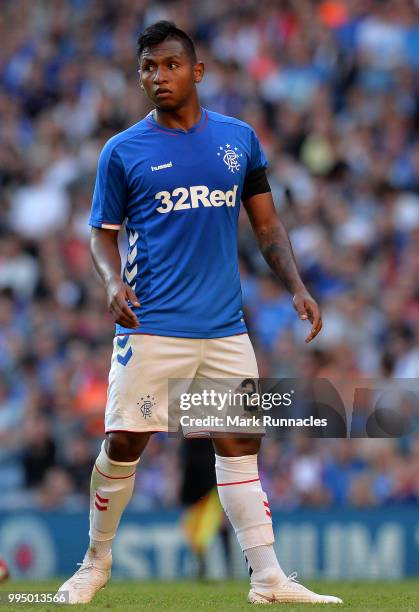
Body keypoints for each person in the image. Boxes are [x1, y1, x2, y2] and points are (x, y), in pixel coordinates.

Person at [58, 21, 342, 605]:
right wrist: (112, 282)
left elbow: (266, 225)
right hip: (151, 324)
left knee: (238, 443)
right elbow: (100, 236)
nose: (158, 77)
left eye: (169, 65)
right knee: (125, 442)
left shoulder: (239, 140)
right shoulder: (123, 151)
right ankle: (95, 562)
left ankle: (267, 579)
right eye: (147, 68)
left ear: (197, 71)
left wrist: (296, 285)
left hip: (223, 328)